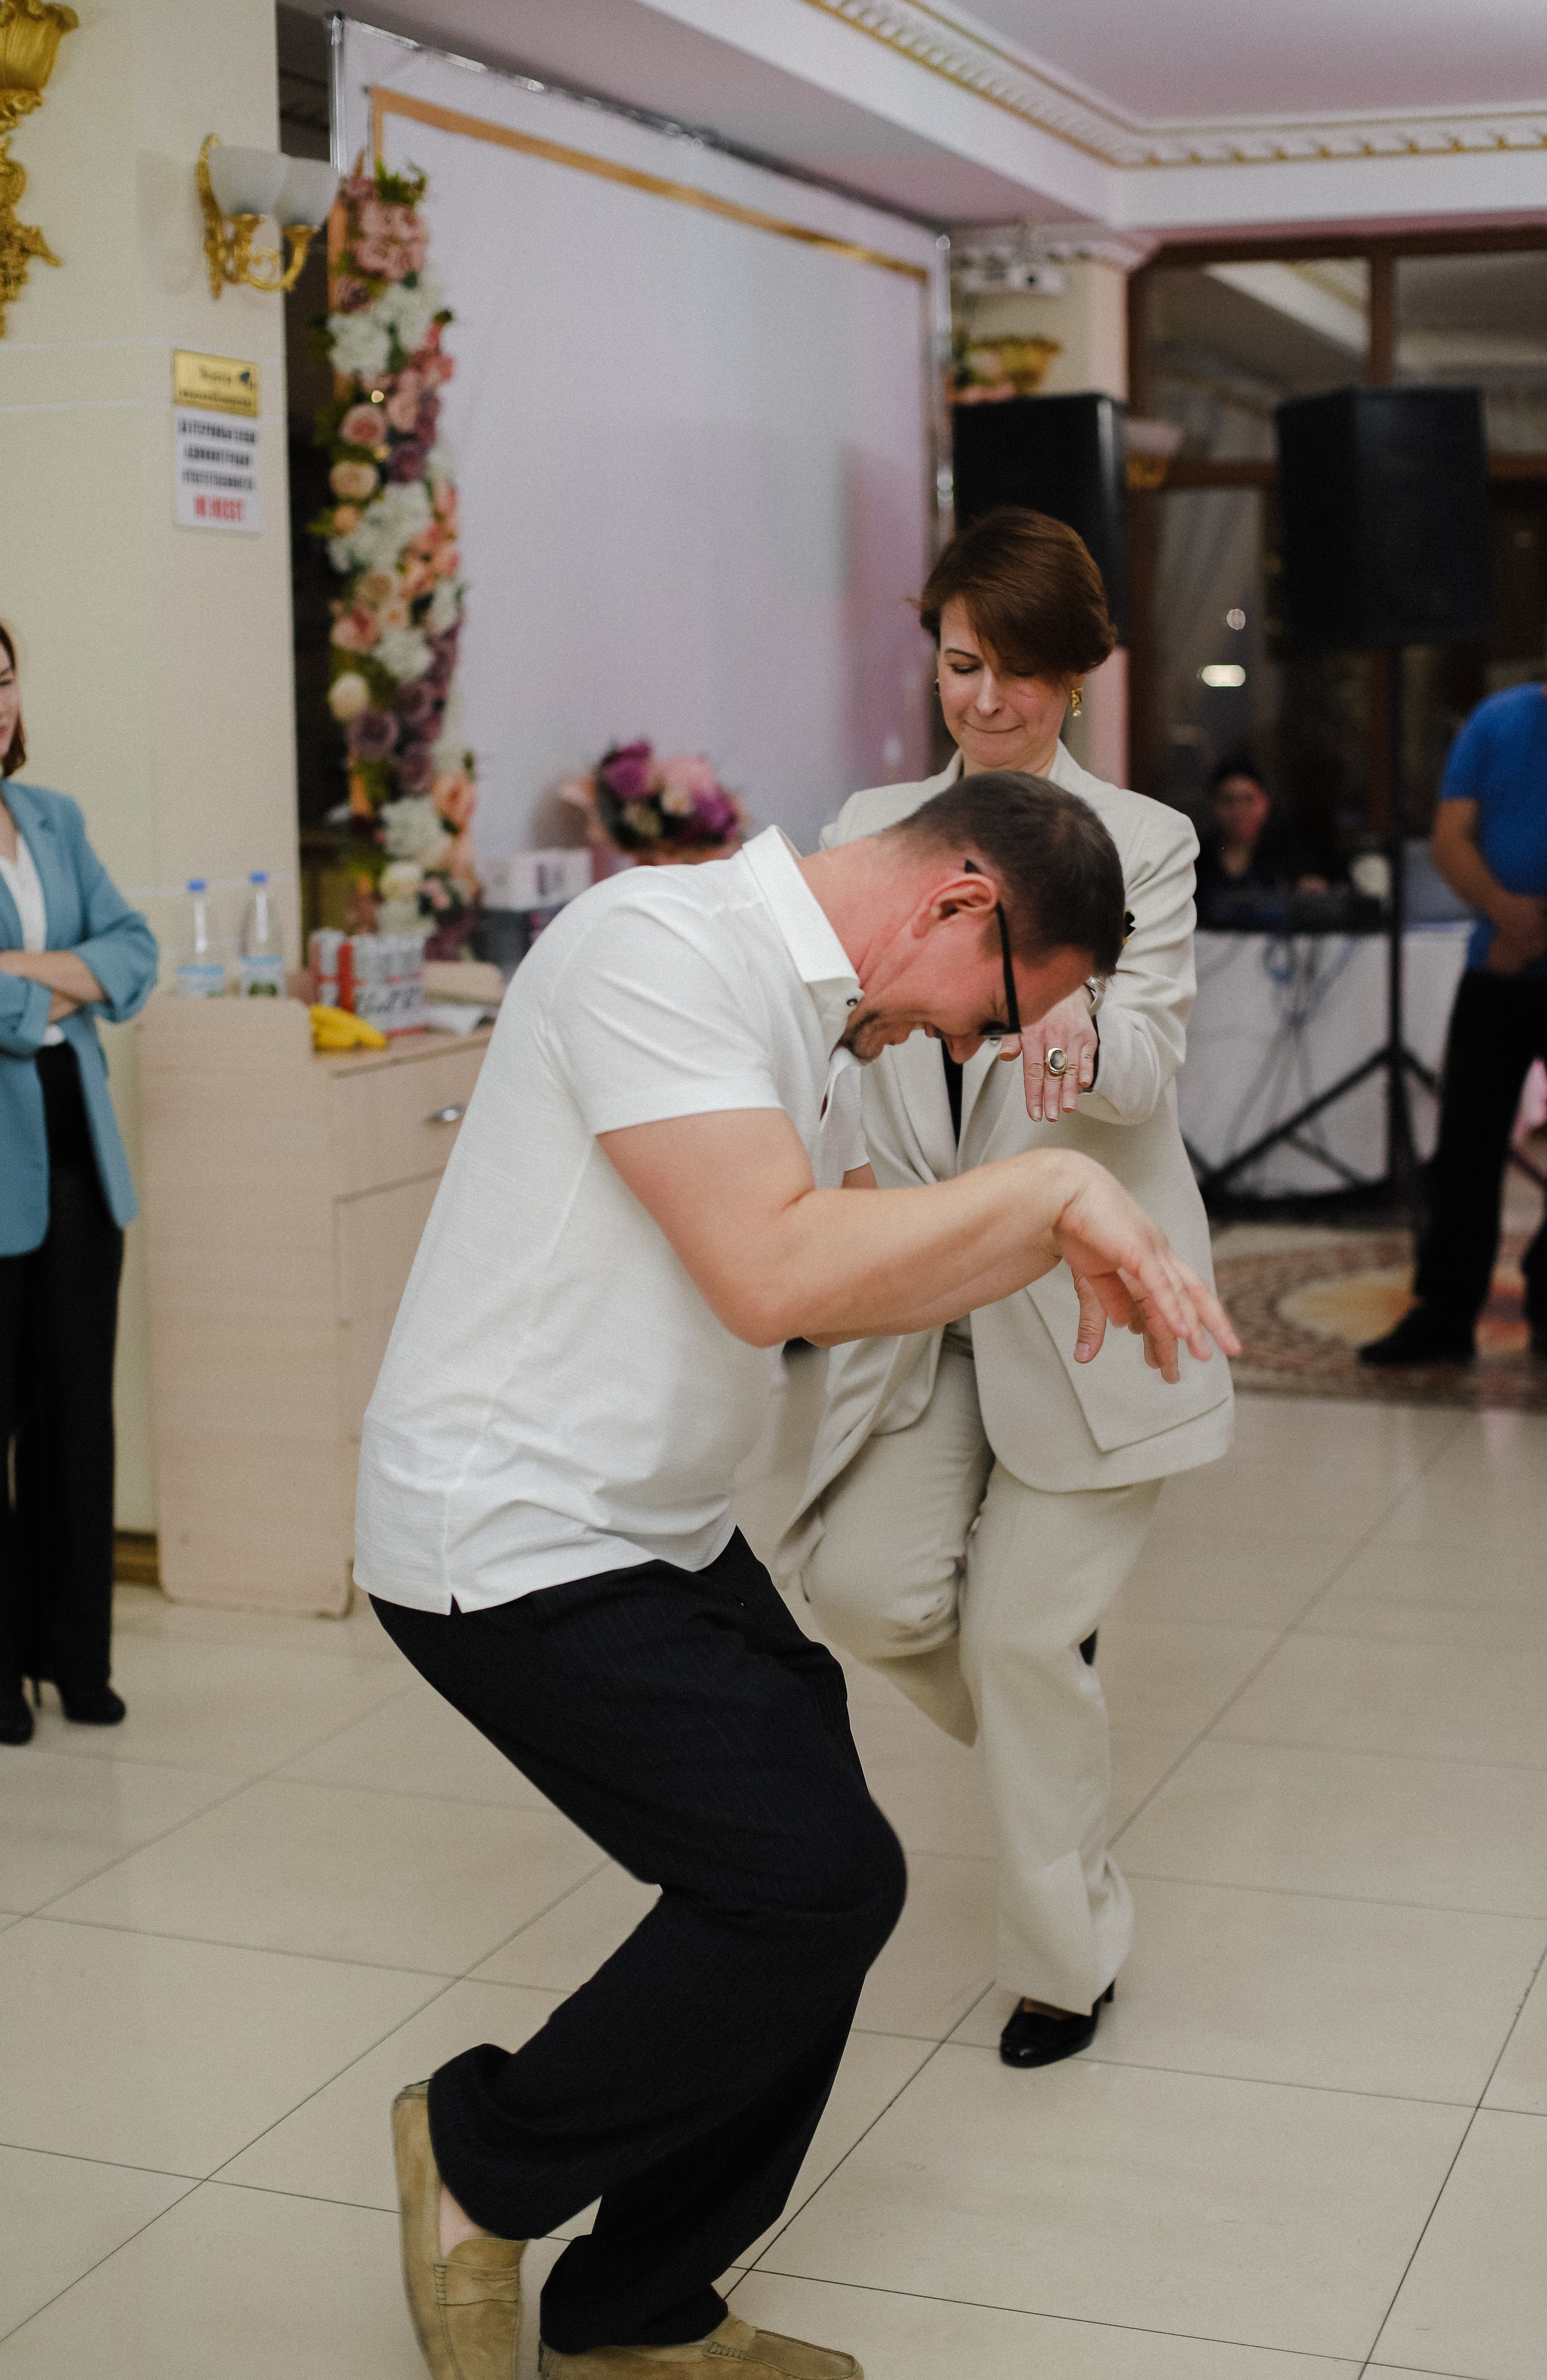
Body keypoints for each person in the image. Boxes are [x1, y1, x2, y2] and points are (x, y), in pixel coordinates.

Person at [353, 772, 1238, 2380]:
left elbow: (848, 1260)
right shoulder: (658, 950)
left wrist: (1054, 1241)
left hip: (661, 1528)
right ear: (960, 903)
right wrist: (1049, 1189)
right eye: (994, 1014)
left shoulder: (809, 1011)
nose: (973, 1047)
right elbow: (770, 1273)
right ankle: (481, 2155)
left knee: (818, 1887)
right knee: (810, 1880)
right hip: (507, 1533)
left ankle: (639, 2313)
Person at [782, 506, 1233, 2073]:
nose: (984, 700)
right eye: (961, 662)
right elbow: (830, 1027)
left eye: (1019, 671)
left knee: (1025, 1642)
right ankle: (1047, 1714)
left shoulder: (1145, 842)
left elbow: (1142, 1071)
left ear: (1077, 675)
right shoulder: (872, 820)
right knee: (861, 1593)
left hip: (1082, 1303)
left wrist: (1056, 1005)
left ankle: (1064, 1958)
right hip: (926, 1290)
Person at [0, 623, 158, 1747]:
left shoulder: (51, 816)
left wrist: (17, 975)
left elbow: (134, 951)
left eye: (3, 680)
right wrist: (62, 989)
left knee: (75, 1414)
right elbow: (95, 974)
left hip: (77, 1149)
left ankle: (75, 1655)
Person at [1362, 583, 1547, 1372]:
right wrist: (1507, 915)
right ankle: (1444, 1314)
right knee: (1465, 1150)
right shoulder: (1496, 721)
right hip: (1494, 972)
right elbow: (1451, 837)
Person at [1194, 755, 1327, 922]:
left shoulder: (1289, 854)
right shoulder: (1197, 855)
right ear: (1213, 805)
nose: (1239, 810)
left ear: (1265, 802)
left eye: (1248, 800)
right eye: (1228, 801)